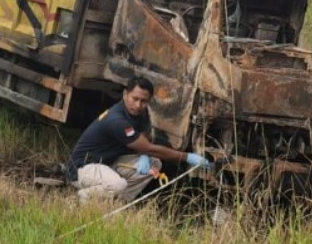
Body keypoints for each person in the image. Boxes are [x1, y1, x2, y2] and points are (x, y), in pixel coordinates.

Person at [65, 76, 212, 203]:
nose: (138, 105)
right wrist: (187, 157)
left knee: (154, 163)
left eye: (144, 101)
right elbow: (149, 148)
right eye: (134, 99)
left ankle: (120, 202)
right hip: (83, 169)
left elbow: (144, 136)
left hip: (108, 162)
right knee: (118, 185)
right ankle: (84, 196)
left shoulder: (140, 113)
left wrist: (144, 155)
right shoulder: (116, 120)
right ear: (125, 94)